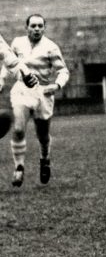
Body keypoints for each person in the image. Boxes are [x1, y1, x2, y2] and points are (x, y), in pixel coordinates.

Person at [0, 14, 70, 187]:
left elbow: (63, 71)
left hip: (43, 92)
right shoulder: (17, 43)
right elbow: (9, 63)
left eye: (40, 26)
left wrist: (57, 85)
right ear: (27, 28)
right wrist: (1, 79)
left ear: (44, 28)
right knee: (18, 128)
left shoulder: (51, 47)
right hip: (22, 89)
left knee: (43, 135)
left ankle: (45, 159)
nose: (37, 29)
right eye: (33, 26)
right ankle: (19, 168)